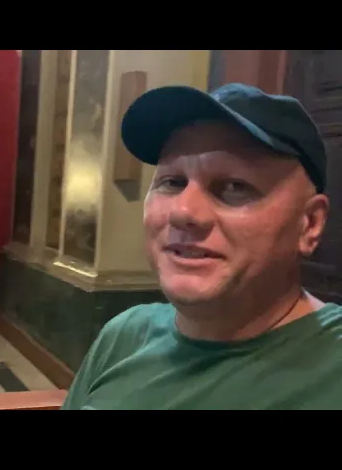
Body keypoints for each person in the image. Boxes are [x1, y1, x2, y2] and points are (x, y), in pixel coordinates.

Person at [61, 83, 342, 410]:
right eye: (172, 182)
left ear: (309, 224)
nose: (183, 212)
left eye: (235, 186)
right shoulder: (124, 335)